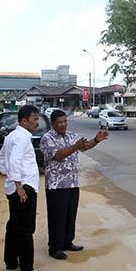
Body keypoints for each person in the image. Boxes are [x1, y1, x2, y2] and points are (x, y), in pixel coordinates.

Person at [40, 109, 109, 260]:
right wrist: (75, 147)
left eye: (65, 121)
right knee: (57, 217)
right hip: (56, 185)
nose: (63, 124)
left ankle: (67, 242)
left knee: (70, 215)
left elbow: (84, 146)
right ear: (53, 124)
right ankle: (55, 247)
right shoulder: (47, 138)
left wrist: (96, 140)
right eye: (59, 122)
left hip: (72, 182)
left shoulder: (72, 135)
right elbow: (57, 156)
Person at [0, 105, 48, 271]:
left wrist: (10, 176)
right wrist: (19, 185)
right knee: (26, 228)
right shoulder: (22, 138)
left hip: (16, 187)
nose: (37, 122)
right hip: (23, 189)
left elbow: (1, 160)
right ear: (24, 120)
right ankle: (27, 269)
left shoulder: (12, 136)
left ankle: (11, 265)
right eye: (34, 119)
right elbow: (14, 160)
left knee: (14, 226)